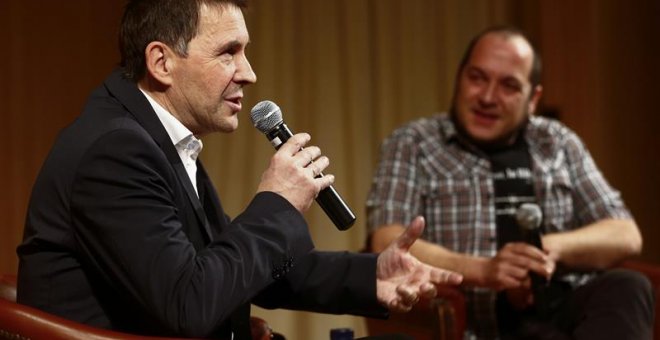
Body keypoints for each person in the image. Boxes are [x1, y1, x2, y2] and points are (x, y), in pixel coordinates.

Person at [16, 1, 463, 339]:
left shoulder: (155, 138)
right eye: (228, 53)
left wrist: (371, 277)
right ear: (162, 62)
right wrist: (276, 202)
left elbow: (231, 265)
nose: (248, 73)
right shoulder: (115, 150)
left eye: (244, 52)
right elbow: (189, 303)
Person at [366, 26, 654, 340]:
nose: (488, 97)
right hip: (476, 325)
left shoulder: (557, 142)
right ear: (459, 77)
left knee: (628, 285)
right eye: (477, 78)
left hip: (565, 316)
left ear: (533, 98)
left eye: (509, 85)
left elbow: (625, 234)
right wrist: (485, 270)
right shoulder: (414, 143)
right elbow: (387, 240)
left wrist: (545, 249)